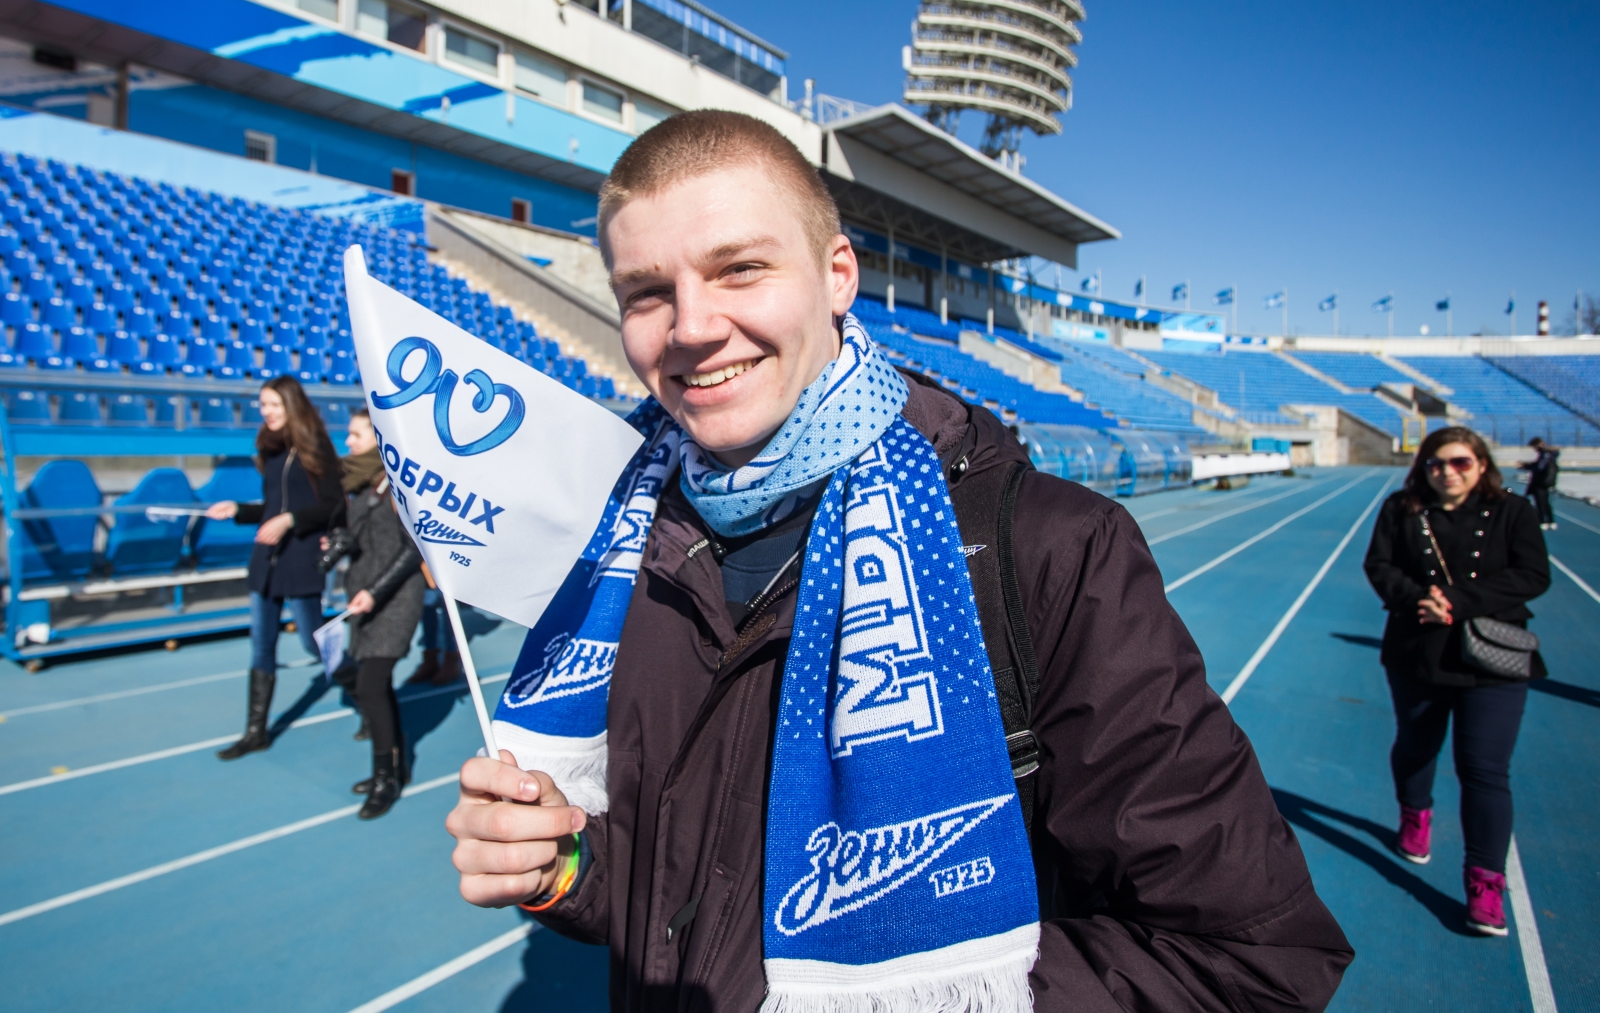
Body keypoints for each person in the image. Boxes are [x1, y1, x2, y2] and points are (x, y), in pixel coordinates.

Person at [445, 111, 1353, 1011]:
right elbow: (674, 896)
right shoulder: (625, 546)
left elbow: (1254, 960)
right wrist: (564, 866)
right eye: (647, 291)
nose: (691, 326)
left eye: (740, 269)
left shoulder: (1044, 547)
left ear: (837, 274)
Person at [1363, 426, 1550, 937]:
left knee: (1485, 770)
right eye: (1436, 463)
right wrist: (1417, 598)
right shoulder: (1402, 510)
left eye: (1460, 462)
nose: (1447, 472)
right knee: (1416, 746)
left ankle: (1485, 882)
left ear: (1482, 465)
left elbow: (1533, 575)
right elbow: (1378, 565)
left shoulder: (1514, 512)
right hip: (1417, 654)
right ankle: (1414, 811)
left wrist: (1457, 602)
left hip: (1493, 662)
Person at [206, 376, 342, 761]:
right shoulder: (270, 448)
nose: (265, 412)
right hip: (265, 562)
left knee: (311, 642)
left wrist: (290, 521)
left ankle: (362, 687)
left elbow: (334, 507)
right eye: (263, 406)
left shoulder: (317, 448)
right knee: (261, 646)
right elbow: (270, 508)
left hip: (299, 559)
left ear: (291, 406)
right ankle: (255, 731)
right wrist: (237, 510)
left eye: (273, 406)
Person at [328, 408, 426, 819]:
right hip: (363, 599)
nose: (348, 441)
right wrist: (336, 544)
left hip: (395, 599)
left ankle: (386, 778)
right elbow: (361, 539)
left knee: (370, 685)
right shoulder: (363, 484)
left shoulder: (400, 485)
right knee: (376, 685)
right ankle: (392, 764)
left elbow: (412, 549)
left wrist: (375, 591)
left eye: (356, 434)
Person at [1518, 436, 1560, 530]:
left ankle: (1543, 521)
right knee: (1545, 502)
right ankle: (1551, 521)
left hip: (1540, 481)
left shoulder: (1545, 454)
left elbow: (1539, 467)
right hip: (1546, 481)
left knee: (1540, 502)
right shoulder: (1550, 454)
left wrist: (1526, 466)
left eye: (1534, 447)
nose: (1534, 449)